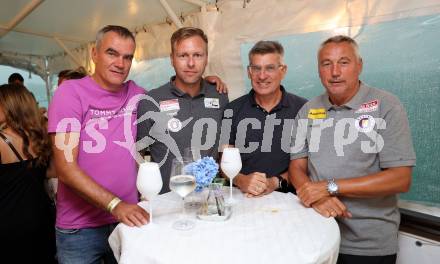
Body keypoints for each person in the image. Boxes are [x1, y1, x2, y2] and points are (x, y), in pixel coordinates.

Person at [289, 35, 416, 264]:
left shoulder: (386, 106)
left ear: (359, 65)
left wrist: (329, 188)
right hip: (316, 233)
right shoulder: (308, 110)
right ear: (319, 70)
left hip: (367, 245)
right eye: (326, 64)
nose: (335, 72)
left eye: (344, 62)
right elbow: (297, 166)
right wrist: (315, 196)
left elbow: (401, 179)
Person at [48, 25, 149, 264]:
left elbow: (174, 96)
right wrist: (116, 205)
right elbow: (65, 167)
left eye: (127, 57)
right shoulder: (69, 93)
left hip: (127, 221)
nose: (120, 63)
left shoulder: (137, 94)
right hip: (80, 229)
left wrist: (204, 82)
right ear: (94, 53)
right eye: (112, 53)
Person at [136, 27, 229, 193]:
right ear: (172, 59)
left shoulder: (220, 95)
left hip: (209, 201)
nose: (191, 63)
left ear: (206, 58)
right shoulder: (151, 100)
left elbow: (224, 149)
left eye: (198, 55)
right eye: (183, 55)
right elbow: (138, 156)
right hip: (167, 203)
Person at [224, 41, 307, 197]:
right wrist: (241, 180)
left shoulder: (304, 109)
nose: (262, 76)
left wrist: (275, 182)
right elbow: (223, 161)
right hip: (243, 199)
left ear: (283, 70)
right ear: (249, 72)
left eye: (270, 68)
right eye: (256, 68)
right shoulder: (232, 110)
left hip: (291, 201)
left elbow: (311, 163)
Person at [0, 83, 56, 263]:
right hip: (42, 220)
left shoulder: (1, 140)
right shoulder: (40, 136)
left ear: (10, 106)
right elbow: (51, 171)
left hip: (9, 225)